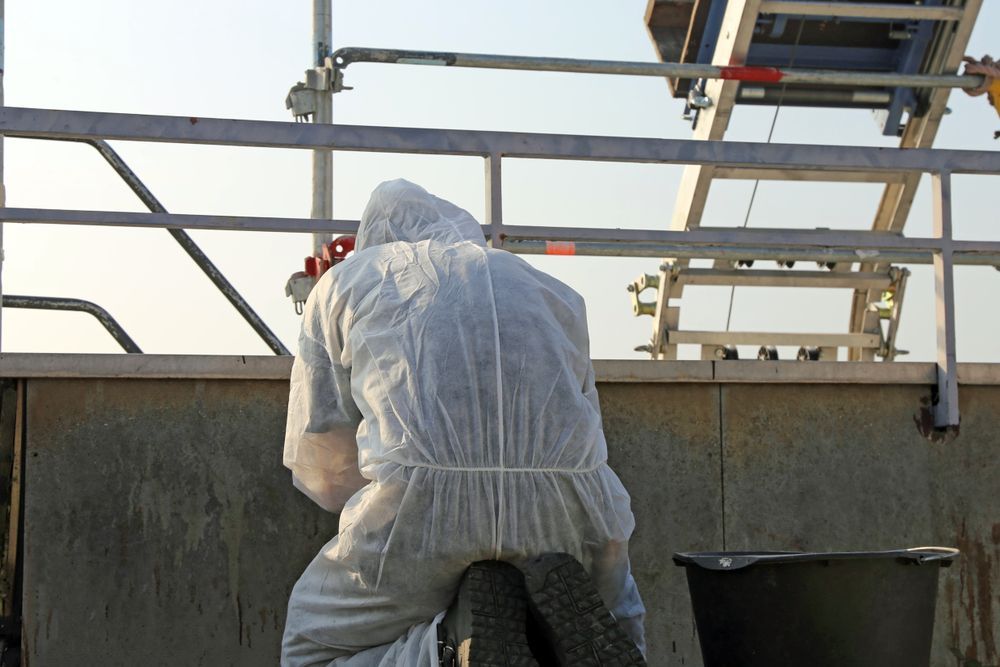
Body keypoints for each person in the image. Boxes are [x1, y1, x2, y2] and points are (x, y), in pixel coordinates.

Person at [281, 179, 645, 666]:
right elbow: (584, 422)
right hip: (573, 513)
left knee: (312, 651)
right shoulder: (552, 290)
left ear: (372, 239)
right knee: (616, 614)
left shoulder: (347, 284)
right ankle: (560, 639)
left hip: (419, 509)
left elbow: (321, 461)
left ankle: (446, 650)